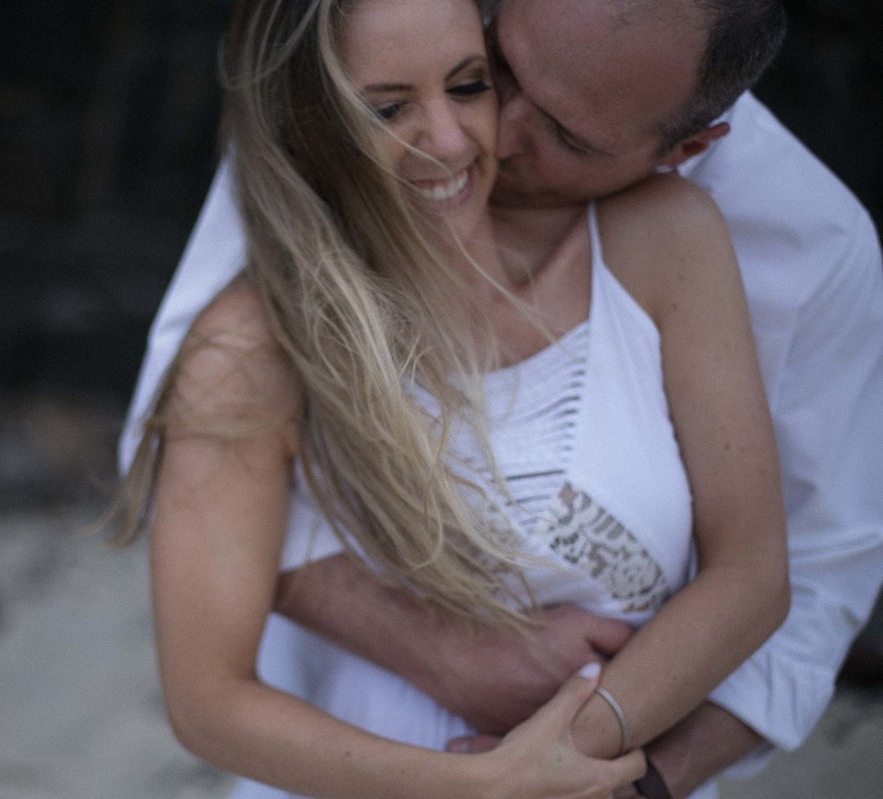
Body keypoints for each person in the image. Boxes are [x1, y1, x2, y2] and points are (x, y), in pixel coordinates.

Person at [119, 0, 883, 796]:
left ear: (684, 151)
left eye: (565, 135)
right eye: (498, 72)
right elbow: (184, 486)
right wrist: (473, 738)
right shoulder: (383, 68)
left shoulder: (735, 244)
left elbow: (799, 580)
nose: (476, 136)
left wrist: (586, 765)